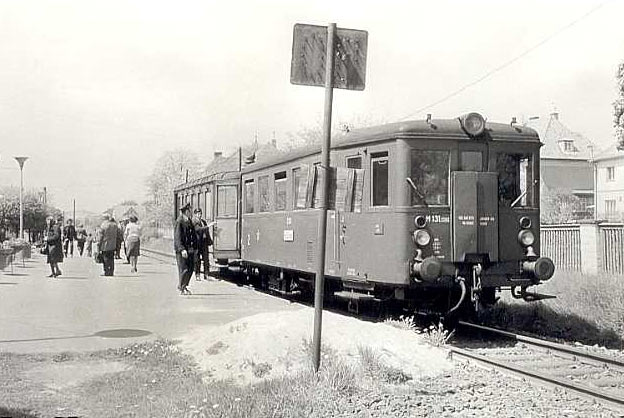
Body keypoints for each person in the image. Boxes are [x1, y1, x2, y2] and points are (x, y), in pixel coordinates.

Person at [174, 203, 197, 295]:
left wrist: (195, 247)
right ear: (186, 211)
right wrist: (182, 249)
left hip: (190, 249)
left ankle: (183, 286)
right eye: (189, 210)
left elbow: (193, 235)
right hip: (183, 250)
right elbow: (177, 237)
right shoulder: (179, 221)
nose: (190, 212)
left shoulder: (189, 221)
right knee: (184, 269)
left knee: (190, 268)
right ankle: (182, 287)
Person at [192, 208, 213, 281]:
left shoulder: (203, 221)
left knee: (206, 259)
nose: (199, 215)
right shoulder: (194, 222)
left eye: (200, 213)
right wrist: (208, 226)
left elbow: (206, 232)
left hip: (204, 243)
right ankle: (197, 275)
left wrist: (209, 241)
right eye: (198, 214)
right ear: (195, 214)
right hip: (197, 243)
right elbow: (198, 229)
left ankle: (206, 274)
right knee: (197, 260)